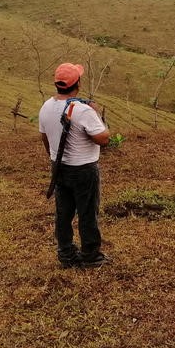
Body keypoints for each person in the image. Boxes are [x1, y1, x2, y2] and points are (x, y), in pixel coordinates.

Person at [39, 62, 111, 268]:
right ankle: (90, 255)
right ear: (77, 83)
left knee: (64, 211)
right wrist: (96, 113)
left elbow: (44, 137)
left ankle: (66, 253)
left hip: (59, 167)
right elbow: (103, 139)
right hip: (84, 169)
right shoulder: (82, 110)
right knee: (87, 211)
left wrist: (54, 158)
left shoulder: (46, 107)